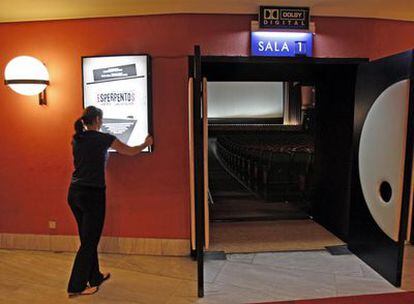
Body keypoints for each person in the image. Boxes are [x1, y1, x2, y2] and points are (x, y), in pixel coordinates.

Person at [67, 106, 153, 297]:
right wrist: (146, 143)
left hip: (74, 193)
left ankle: (95, 277)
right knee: (89, 241)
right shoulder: (103, 138)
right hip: (93, 195)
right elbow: (130, 151)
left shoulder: (77, 139)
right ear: (98, 120)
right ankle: (76, 286)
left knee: (87, 238)